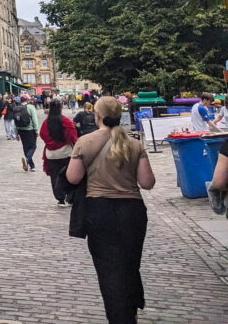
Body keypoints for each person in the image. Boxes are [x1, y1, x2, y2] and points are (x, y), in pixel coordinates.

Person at [66, 96, 155, 324]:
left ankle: (120, 317)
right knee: (130, 263)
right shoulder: (134, 144)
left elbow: (73, 177)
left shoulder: (85, 142)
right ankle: (130, 308)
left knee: (108, 269)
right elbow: (147, 182)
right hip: (132, 210)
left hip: (100, 210)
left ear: (97, 116)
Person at [39, 101, 78, 206]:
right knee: (68, 174)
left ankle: (60, 198)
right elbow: (72, 135)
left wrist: (50, 142)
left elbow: (42, 134)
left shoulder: (46, 122)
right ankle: (70, 196)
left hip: (51, 154)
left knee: (54, 176)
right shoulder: (65, 120)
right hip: (66, 152)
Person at [14, 94, 40, 171]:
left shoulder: (16, 108)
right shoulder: (31, 107)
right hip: (30, 129)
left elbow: (15, 122)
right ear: (27, 100)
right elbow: (34, 119)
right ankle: (28, 160)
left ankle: (32, 166)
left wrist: (16, 133)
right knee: (33, 146)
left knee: (26, 148)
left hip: (21, 130)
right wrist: (36, 130)